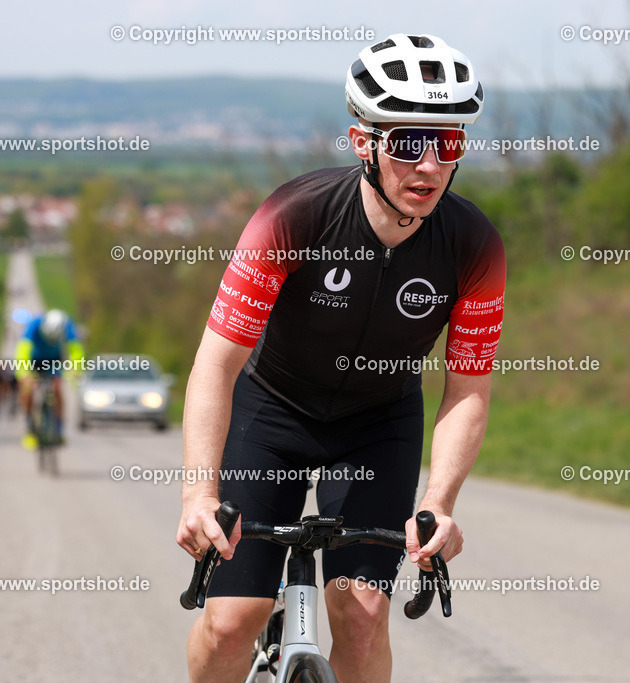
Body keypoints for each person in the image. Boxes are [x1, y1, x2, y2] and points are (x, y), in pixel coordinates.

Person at [176, 33, 505, 682]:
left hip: (377, 425)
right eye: (409, 143)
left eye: (448, 144)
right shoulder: (292, 216)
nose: (430, 165)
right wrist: (198, 494)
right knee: (232, 620)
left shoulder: (473, 245)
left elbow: (469, 387)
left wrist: (439, 502)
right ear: (363, 143)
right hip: (272, 412)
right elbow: (216, 363)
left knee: (362, 613)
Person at [14, 309, 84, 448]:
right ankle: (30, 428)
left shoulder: (67, 325)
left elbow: (76, 351)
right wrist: (24, 374)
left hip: (54, 360)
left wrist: (76, 371)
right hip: (34, 360)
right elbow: (23, 350)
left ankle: (58, 430)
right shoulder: (34, 324)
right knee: (27, 390)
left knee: (57, 389)